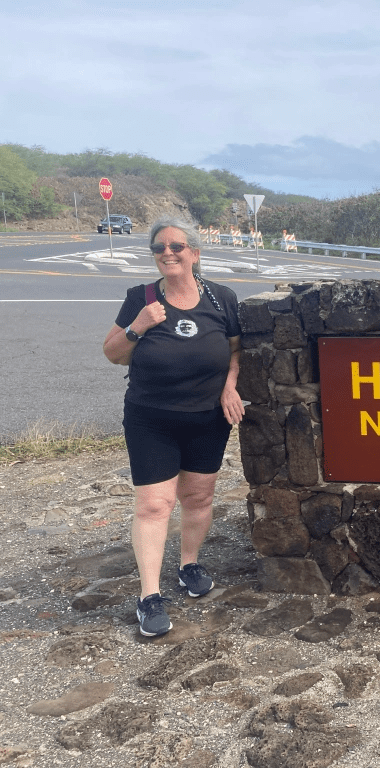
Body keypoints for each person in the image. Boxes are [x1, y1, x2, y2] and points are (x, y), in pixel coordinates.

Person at [102, 216, 245, 637]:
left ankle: (188, 564)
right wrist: (138, 326)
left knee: (198, 497)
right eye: (159, 248)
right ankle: (149, 596)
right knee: (154, 505)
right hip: (151, 417)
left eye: (176, 246)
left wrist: (229, 387)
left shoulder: (222, 299)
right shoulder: (140, 298)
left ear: (194, 253)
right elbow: (112, 353)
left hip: (207, 418)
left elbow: (237, 351)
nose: (167, 253)